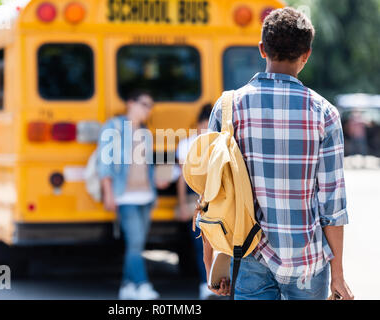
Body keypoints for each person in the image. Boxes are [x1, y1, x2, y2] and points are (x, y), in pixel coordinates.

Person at [204, 7, 354, 300]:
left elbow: (212, 196)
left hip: (248, 256)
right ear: (306, 55)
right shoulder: (325, 114)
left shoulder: (227, 108)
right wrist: (338, 274)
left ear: (262, 49)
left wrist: (212, 264)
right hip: (307, 262)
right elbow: (333, 206)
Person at [97, 90, 168, 300]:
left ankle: (127, 286)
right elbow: (105, 162)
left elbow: (147, 165)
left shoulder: (145, 132)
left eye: (150, 106)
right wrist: (108, 193)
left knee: (137, 243)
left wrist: (157, 179)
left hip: (146, 195)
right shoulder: (114, 127)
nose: (148, 109)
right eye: (144, 104)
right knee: (136, 242)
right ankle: (142, 285)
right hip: (124, 196)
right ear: (130, 103)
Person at [175, 104, 217, 300]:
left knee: (221, 245)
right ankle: (205, 283)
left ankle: (218, 283)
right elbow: (183, 178)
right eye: (204, 124)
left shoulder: (219, 143)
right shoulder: (187, 144)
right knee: (202, 244)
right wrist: (183, 204)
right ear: (198, 123)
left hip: (218, 200)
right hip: (197, 201)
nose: (206, 129)